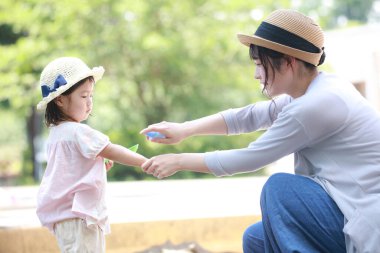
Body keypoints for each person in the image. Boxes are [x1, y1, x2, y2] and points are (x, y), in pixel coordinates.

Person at [140, 9, 380, 253]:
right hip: (345, 209)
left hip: (364, 221)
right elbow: (249, 116)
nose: (256, 74)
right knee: (256, 238)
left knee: (281, 189)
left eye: (259, 64)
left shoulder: (316, 104)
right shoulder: (316, 91)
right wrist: (184, 130)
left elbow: (252, 157)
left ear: (288, 62)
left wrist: (178, 161)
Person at [35, 57, 147, 253]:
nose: (89, 103)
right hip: (81, 216)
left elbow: (68, 172)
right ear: (60, 99)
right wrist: (145, 162)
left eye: (91, 96)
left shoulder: (56, 133)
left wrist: (95, 166)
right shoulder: (79, 132)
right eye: (84, 96)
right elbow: (110, 149)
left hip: (65, 218)